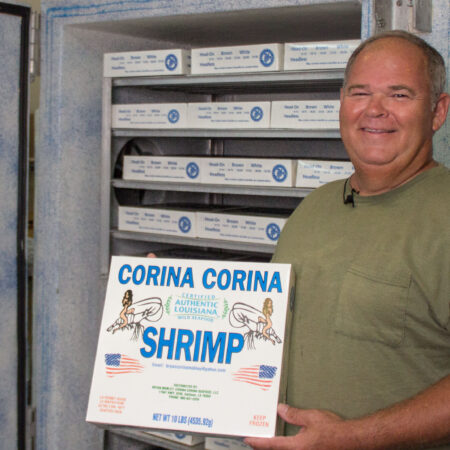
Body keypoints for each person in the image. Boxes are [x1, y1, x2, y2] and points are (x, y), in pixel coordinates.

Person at [245, 30, 450, 450]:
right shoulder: (313, 208)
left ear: (437, 111)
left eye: (399, 95)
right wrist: (167, 296)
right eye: (360, 93)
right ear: (342, 102)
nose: (375, 111)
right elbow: (262, 328)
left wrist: (353, 437)